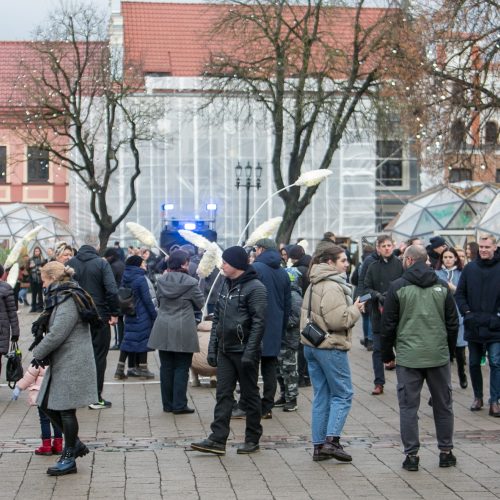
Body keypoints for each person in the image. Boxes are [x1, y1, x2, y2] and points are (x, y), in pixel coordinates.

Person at [381, 244, 458, 471]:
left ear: (408, 260)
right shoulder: (442, 286)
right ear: (426, 261)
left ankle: (412, 456)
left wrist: (387, 355)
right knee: (443, 405)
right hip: (438, 356)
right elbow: (453, 323)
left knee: (408, 408)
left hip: (408, 358)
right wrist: (449, 352)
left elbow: (388, 326)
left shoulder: (397, 287)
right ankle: (446, 452)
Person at [191, 246, 267, 456]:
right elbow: (218, 320)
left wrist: (250, 352)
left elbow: (259, 323)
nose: (222, 265)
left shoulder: (255, 288)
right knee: (223, 394)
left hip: (244, 351)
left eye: (226, 262)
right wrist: (214, 348)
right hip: (226, 349)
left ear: (237, 264)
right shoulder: (226, 284)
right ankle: (217, 439)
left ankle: (252, 438)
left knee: (250, 396)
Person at [31, 261, 99, 476]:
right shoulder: (60, 296)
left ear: (52, 278)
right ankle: (75, 443)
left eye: (43, 279)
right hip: (63, 359)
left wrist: (38, 352)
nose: (42, 284)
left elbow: (58, 332)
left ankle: (69, 456)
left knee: (65, 409)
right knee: (45, 403)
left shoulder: (68, 298)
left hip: (72, 360)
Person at [300, 245, 363, 463]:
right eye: (343, 260)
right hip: (330, 346)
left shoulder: (314, 282)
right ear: (330, 263)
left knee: (322, 396)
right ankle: (331, 441)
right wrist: (356, 309)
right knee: (343, 394)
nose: (347, 264)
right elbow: (339, 321)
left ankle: (319, 446)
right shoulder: (332, 286)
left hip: (312, 345)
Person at [67, 234, 119, 410]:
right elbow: (112, 290)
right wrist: (114, 312)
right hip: (99, 315)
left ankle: (76, 394)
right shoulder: (102, 263)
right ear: (96, 246)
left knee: (76, 355)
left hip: (75, 315)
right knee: (98, 356)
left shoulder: (71, 263)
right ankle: (95, 397)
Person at [239, 238, 290, 419]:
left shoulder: (256, 269)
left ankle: (246, 404)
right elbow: (287, 304)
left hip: (255, 326)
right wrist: (281, 329)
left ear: (260, 249)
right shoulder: (283, 272)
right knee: (270, 368)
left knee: (250, 368)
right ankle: (267, 406)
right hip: (275, 326)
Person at [148, 250, 204, 414]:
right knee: (181, 367)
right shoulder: (191, 282)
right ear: (183, 264)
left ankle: (167, 404)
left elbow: (158, 300)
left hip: (163, 326)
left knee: (166, 367)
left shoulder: (162, 280)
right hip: (183, 327)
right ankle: (179, 405)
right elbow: (200, 303)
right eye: (187, 262)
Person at [455, 234, 500, 417]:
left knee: (496, 362)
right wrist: (466, 312)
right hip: (473, 324)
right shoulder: (470, 268)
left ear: (495, 247)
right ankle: (478, 396)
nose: (483, 250)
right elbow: (460, 294)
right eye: (481, 247)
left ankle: (495, 400)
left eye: (487, 247)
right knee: (473, 363)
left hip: (495, 325)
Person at [364, 235, 404, 395]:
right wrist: (377, 295)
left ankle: (404, 382)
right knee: (378, 350)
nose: (387, 248)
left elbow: (406, 284)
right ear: (378, 248)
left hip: (397, 315)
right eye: (384, 246)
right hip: (378, 315)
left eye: (389, 245)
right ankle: (379, 383)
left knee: (400, 349)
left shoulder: (400, 265)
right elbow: (366, 289)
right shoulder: (372, 266)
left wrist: (392, 293)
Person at [114, 256, 157, 380]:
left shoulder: (126, 276)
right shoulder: (140, 279)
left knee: (128, 341)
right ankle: (143, 370)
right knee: (143, 340)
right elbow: (147, 299)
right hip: (141, 313)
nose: (144, 264)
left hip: (130, 312)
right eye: (142, 263)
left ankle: (119, 370)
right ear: (137, 264)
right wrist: (154, 315)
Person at [12, 363, 64, 456]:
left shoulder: (39, 360)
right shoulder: (59, 356)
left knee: (44, 420)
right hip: (57, 394)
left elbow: (29, 377)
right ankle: (58, 445)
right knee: (57, 420)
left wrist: (19, 387)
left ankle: (46, 446)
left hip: (42, 395)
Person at [435, 247, 467, 389]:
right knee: (445, 351)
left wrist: (452, 287)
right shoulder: (436, 273)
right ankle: (444, 381)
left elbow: (463, 292)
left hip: (458, 315)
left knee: (460, 350)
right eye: (445, 257)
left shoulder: (461, 273)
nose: (447, 260)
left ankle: (462, 373)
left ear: (456, 258)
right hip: (441, 316)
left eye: (450, 257)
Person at [275, 267, 302, 412]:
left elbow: (294, 319)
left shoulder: (294, 296)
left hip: (289, 340)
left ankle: (292, 398)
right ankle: (284, 395)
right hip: (280, 339)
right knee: (279, 370)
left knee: (290, 370)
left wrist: (278, 321)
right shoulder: (284, 294)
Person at [0, 263, 20, 375]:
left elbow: (12, 312)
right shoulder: (6, 288)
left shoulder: (5, 288)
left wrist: (15, 332)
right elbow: (12, 312)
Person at [104, 247, 125, 350]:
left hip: (116, 296)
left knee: (117, 322)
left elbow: (111, 284)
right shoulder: (122, 264)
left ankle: (118, 342)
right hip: (123, 295)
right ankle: (121, 341)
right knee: (121, 322)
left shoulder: (113, 266)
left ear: (110, 256)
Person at [29, 246, 46, 312]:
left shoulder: (42, 259)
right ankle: (33, 307)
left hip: (40, 279)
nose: (37, 252)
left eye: (38, 251)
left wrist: (42, 269)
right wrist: (29, 267)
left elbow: (45, 268)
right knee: (33, 294)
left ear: (40, 252)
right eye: (36, 251)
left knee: (40, 294)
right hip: (33, 279)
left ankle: (40, 307)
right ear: (34, 252)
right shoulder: (31, 259)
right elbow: (27, 268)